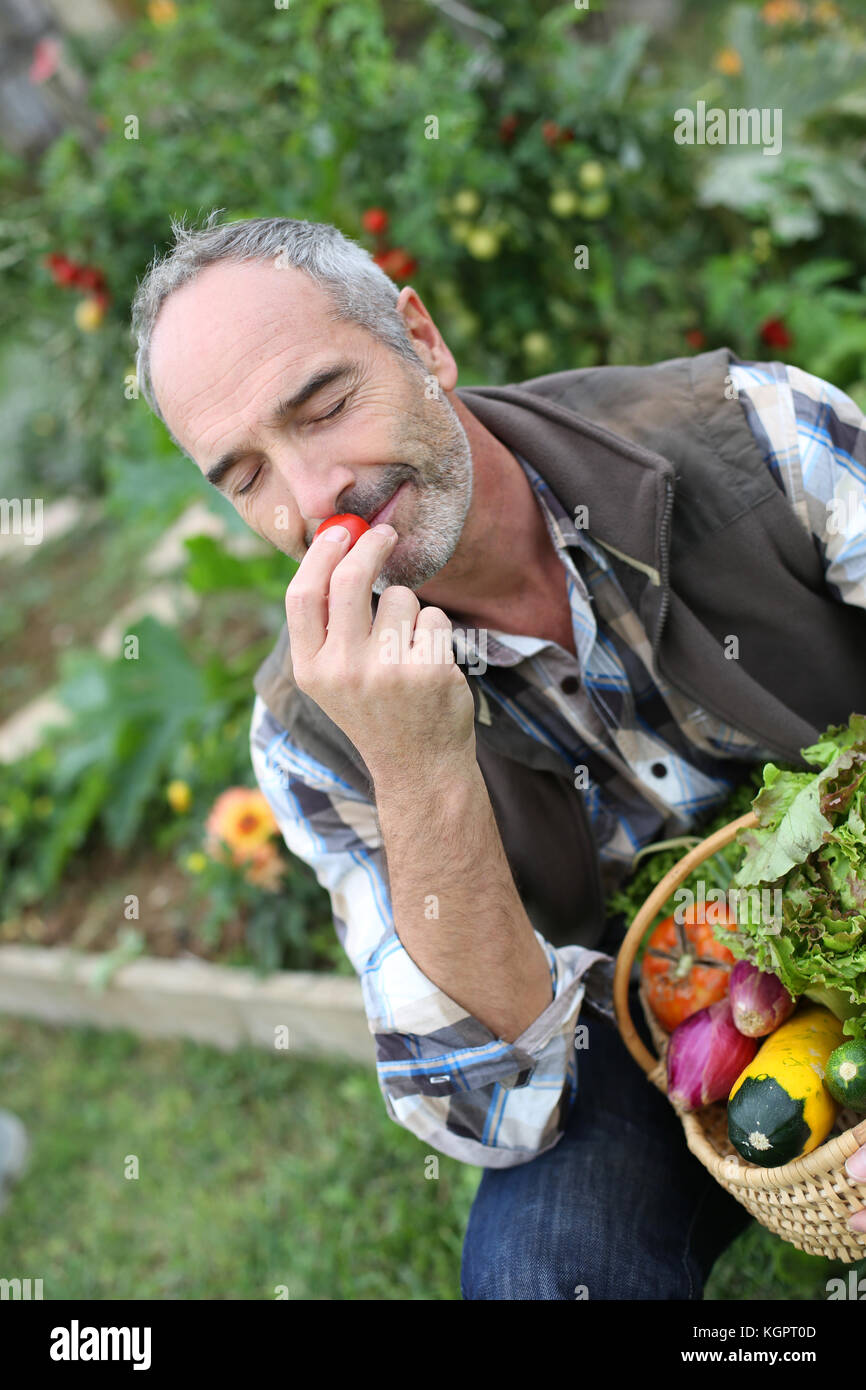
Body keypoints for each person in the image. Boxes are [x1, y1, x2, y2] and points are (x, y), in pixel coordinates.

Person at [131, 213, 866, 1299]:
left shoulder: (755, 432)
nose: (311, 496)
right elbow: (490, 1106)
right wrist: (418, 769)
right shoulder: (305, 734)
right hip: (622, 1019)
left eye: (324, 404)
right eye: (244, 476)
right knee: (539, 1276)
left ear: (420, 341)